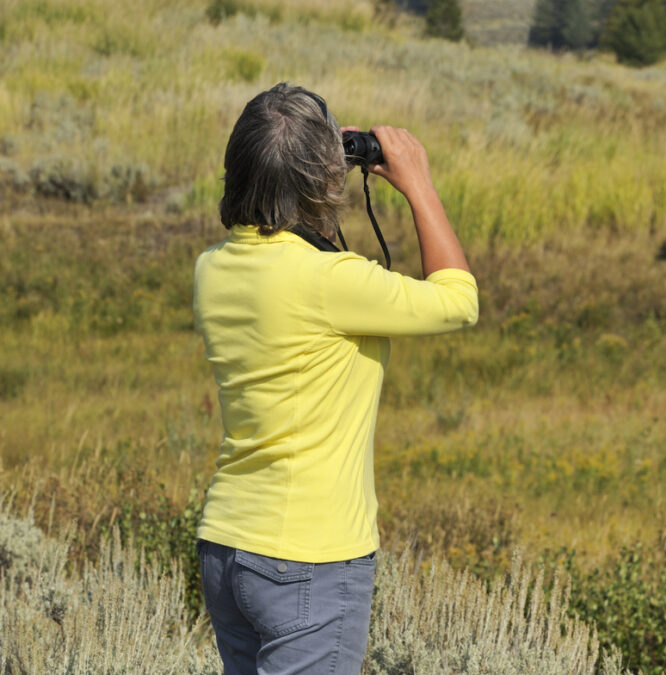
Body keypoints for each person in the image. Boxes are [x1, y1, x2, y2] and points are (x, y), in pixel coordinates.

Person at [192, 82, 478, 674]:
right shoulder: (330, 282)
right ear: (326, 178)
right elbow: (458, 300)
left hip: (228, 546)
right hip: (310, 558)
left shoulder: (212, 269)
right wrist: (417, 182)